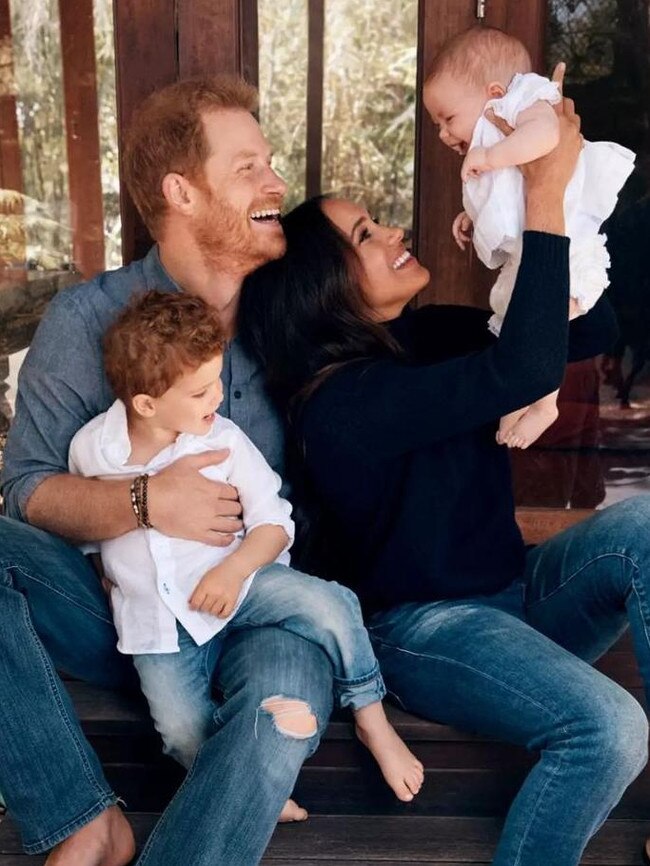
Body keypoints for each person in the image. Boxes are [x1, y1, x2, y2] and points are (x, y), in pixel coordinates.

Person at [239, 89, 650, 866]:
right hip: (427, 632)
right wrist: (538, 190)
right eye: (366, 233)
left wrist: (515, 245)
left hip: (517, 594)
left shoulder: (424, 335)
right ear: (324, 289)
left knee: (644, 531)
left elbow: (589, 329)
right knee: (608, 730)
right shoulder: (340, 405)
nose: (393, 231)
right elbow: (520, 366)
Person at [0, 75, 340, 866]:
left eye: (271, 162)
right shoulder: (87, 321)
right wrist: (148, 501)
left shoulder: (290, 313)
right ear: (181, 192)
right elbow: (26, 491)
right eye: (248, 165)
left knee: (278, 709)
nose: (276, 183)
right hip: (123, 619)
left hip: (259, 606)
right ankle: (82, 819)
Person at [68, 289, 424, 807]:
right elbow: (86, 525)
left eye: (217, 380)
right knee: (178, 728)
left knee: (332, 604)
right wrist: (103, 567)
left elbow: (275, 523)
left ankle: (372, 717)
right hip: (158, 624)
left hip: (244, 581)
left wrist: (233, 571)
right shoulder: (92, 449)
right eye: (199, 392)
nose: (216, 398)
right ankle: (242, 783)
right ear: (146, 403)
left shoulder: (225, 441)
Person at [423, 27, 635, 449]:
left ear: (495, 92)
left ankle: (544, 402)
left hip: (567, 244)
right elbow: (508, 195)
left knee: (544, 321)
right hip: (534, 247)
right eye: (436, 125)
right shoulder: (496, 134)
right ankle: (522, 395)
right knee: (515, 319)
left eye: (448, 119)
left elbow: (546, 138)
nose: (444, 134)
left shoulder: (527, 102)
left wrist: (490, 155)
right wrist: (472, 215)